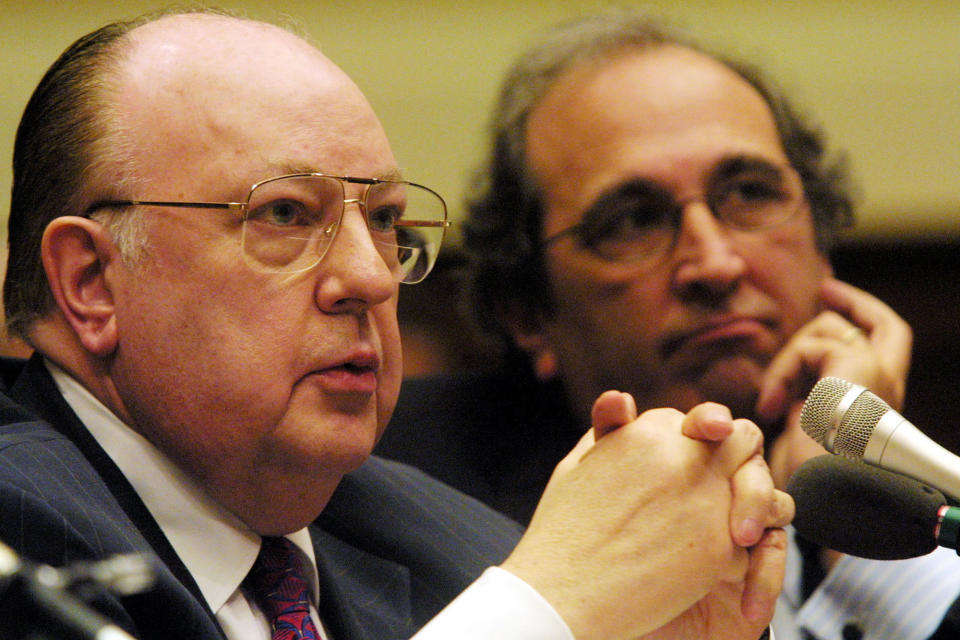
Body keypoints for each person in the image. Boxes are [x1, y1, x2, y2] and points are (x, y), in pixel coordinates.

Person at [0, 8, 793, 640]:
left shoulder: (429, 533)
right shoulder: (20, 529)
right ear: (91, 283)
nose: (372, 277)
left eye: (383, 219)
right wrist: (540, 613)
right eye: (284, 213)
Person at [375, 10, 960, 640]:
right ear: (529, 312)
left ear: (821, 245)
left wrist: (851, 517)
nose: (714, 262)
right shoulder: (398, 507)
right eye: (632, 221)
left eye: (751, 193)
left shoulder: (912, 488)